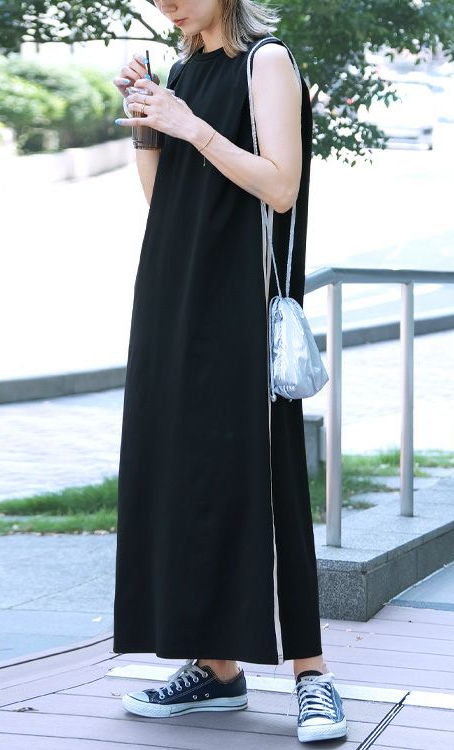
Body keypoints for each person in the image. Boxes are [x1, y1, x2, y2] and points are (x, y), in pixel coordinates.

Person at [110, 0, 347, 742]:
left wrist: (188, 124)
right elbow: (164, 201)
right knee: (187, 475)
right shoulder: (184, 72)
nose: (166, 1)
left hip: (242, 303)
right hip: (174, 296)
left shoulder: (265, 62)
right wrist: (148, 121)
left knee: (266, 478)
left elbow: (280, 186)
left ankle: (313, 676)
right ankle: (216, 670)